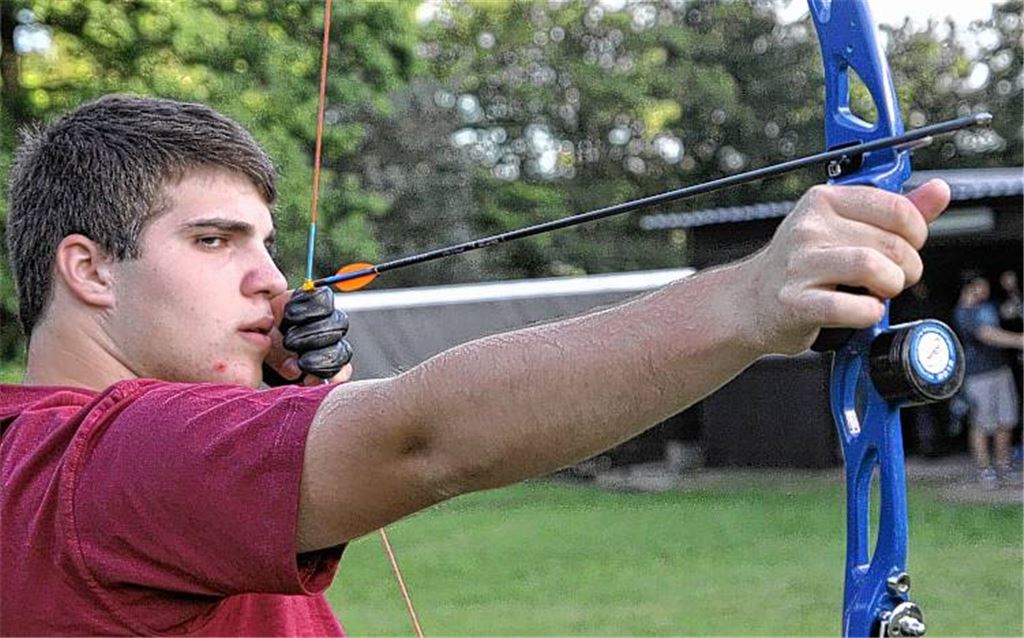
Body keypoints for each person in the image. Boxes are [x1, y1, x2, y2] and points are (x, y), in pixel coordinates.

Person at [1, 95, 953, 635]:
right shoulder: (95, 468)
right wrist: (748, 302)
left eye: (267, 243)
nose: (273, 282)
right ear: (87, 268)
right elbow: (427, 437)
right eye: (215, 241)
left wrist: (280, 414)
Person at [953, 272, 1024, 488]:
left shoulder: (989, 306)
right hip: (978, 375)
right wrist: (1019, 340)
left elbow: (1011, 310)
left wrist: (1012, 290)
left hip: (1000, 370)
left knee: (1006, 419)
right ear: (970, 288)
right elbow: (986, 334)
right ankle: (984, 469)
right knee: (982, 423)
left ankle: (1004, 465)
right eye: (982, 287)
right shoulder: (962, 313)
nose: (986, 291)